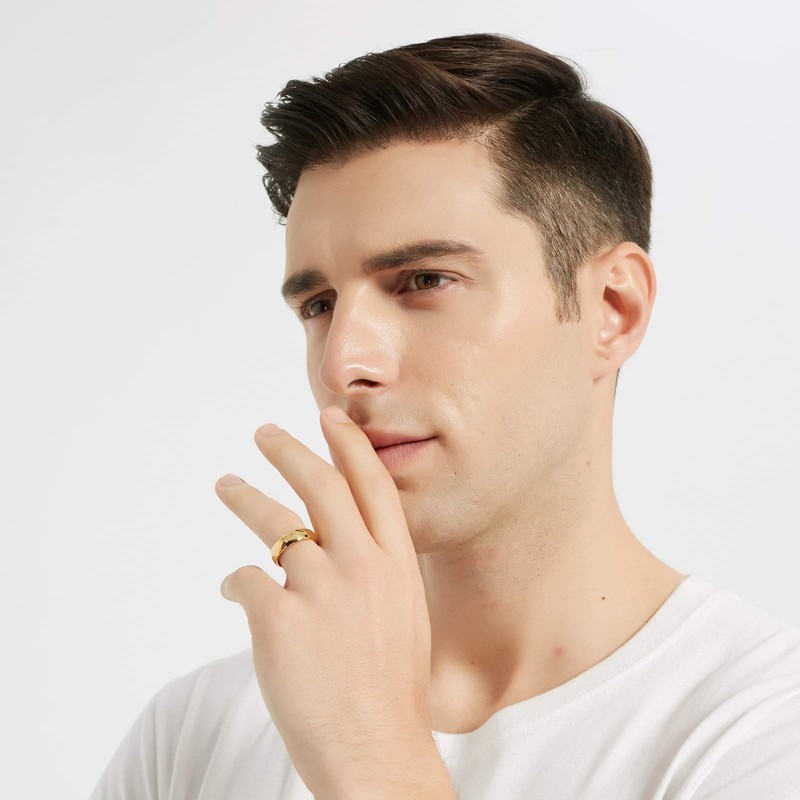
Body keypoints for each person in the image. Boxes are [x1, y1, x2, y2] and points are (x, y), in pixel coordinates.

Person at [89, 32, 800, 800]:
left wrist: (372, 756)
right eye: (319, 304)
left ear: (611, 309)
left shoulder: (761, 731)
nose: (342, 365)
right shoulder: (196, 734)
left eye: (424, 280)